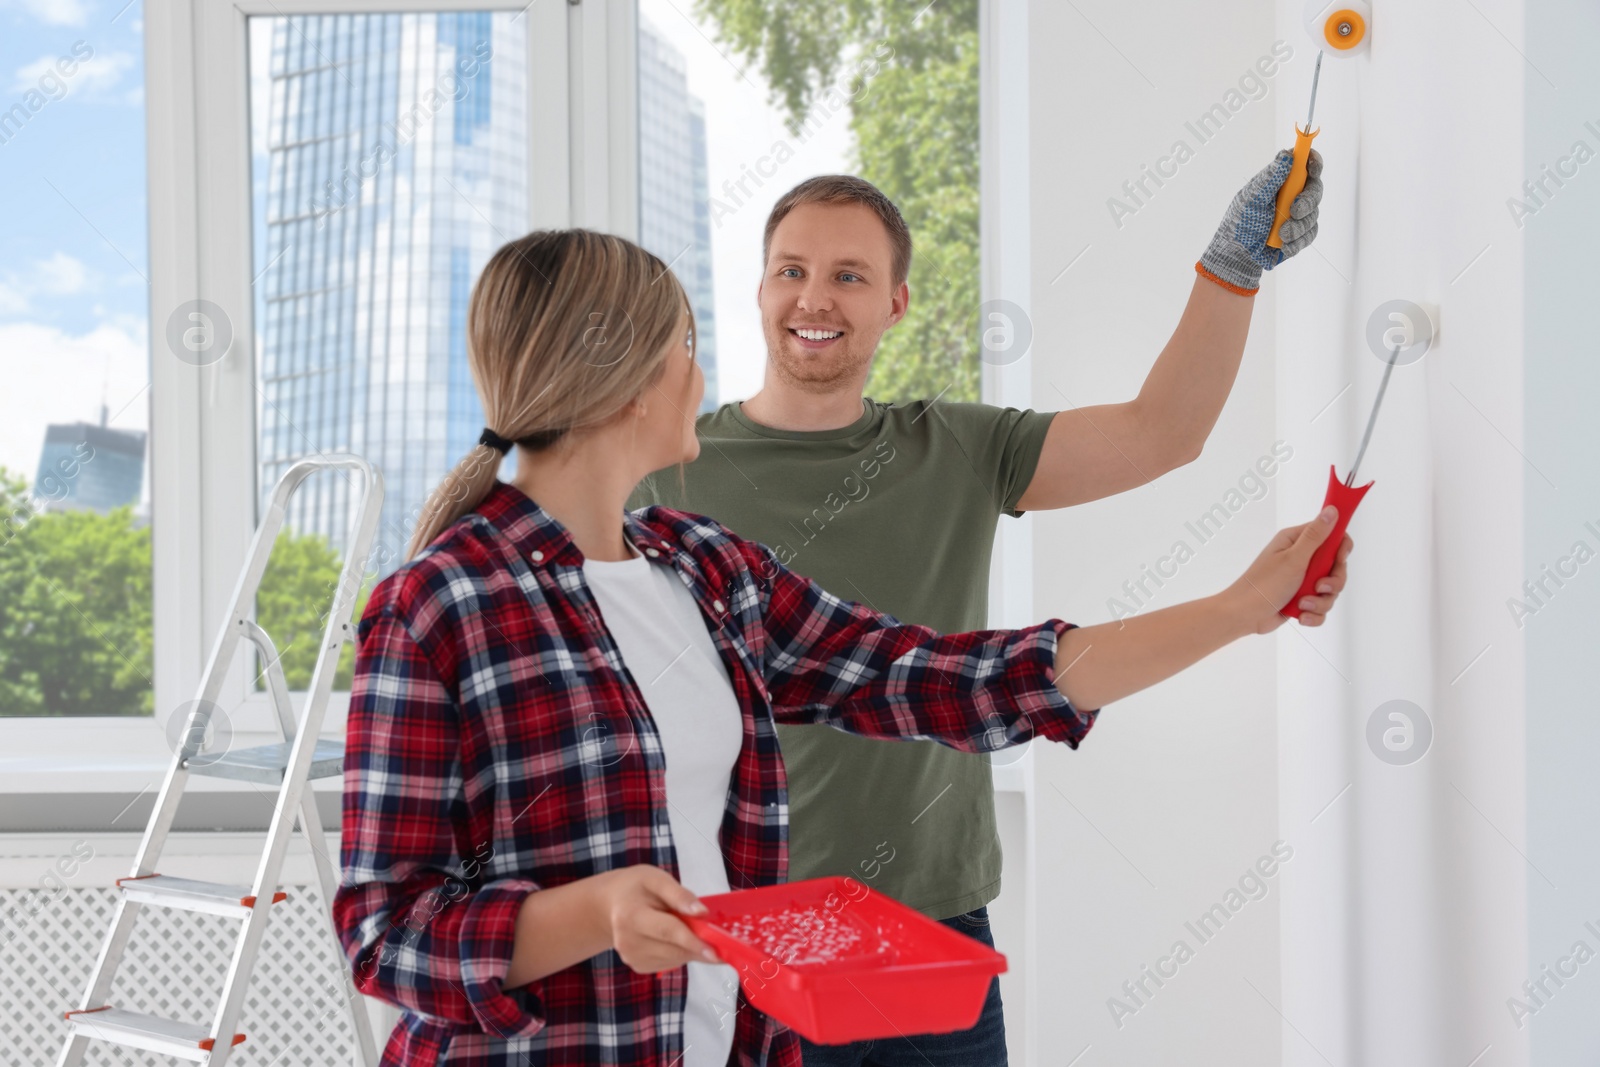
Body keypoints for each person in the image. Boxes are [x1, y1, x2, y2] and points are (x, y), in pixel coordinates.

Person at [335, 228, 1351, 1067]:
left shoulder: (704, 570)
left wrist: (1235, 608)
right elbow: (386, 932)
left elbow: (953, 682)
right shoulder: (439, 605)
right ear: (631, 381)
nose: (702, 372)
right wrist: (592, 911)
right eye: (686, 345)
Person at [629, 157, 1333, 1066]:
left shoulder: (955, 448)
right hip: (742, 930)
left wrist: (1232, 265)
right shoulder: (667, 472)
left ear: (897, 303)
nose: (816, 298)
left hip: (935, 924)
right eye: (792, 270)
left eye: (850, 275)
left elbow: (1165, 431)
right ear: (760, 287)